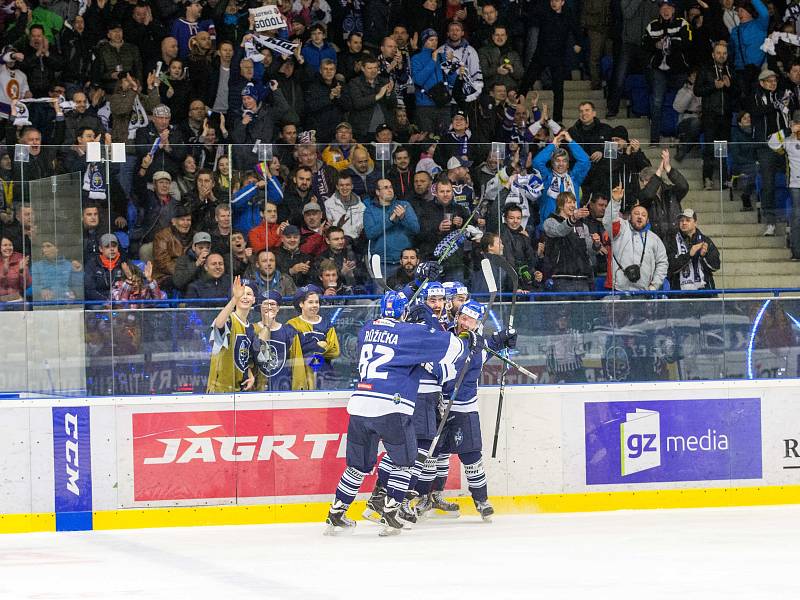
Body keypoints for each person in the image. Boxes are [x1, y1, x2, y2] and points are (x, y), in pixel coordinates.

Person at [324, 290, 471, 536]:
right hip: (391, 406)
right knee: (405, 462)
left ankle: (336, 514)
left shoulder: (366, 329)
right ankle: (391, 513)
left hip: (360, 405)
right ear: (404, 312)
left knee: (357, 466)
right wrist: (462, 336)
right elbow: (454, 348)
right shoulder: (409, 333)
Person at [414, 300, 516, 522]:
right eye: (462, 317)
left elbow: (494, 343)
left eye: (470, 319)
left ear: (478, 323)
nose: (464, 322)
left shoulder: (479, 344)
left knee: (471, 456)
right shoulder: (444, 336)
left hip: (464, 409)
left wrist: (507, 336)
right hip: (439, 406)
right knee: (431, 455)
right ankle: (425, 497)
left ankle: (481, 500)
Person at [643, 0, 691, 144]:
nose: (666, 10)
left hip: (678, 69)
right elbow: (644, 44)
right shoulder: (652, 25)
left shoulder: (682, 23)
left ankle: (680, 138)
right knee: (657, 102)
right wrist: (656, 44)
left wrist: (671, 43)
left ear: (674, 9)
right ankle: (654, 139)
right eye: (663, 7)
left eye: (669, 7)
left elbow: (688, 43)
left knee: (683, 102)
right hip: (659, 70)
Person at [603, 187, 669, 292]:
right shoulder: (620, 229)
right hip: (619, 292)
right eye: (636, 214)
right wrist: (615, 202)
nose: (640, 217)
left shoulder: (654, 239)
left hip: (645, 293)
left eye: (643, 215)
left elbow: (662, 263)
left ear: (647, 220)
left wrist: (654, 286)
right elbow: (608, 221)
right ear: (629, 217)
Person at [694, 41, 738, 187]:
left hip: (725, 116)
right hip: (710, 116)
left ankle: (724, 178)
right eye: (718, 53)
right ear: (713, 54)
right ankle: (707, 178)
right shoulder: (705, 69)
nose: (721, 56)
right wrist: (713, 86)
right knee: (708, 148)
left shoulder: (731, 69)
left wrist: (730, 86)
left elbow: (739, 92)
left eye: (724, 53)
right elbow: (697, 90)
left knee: (723, 148)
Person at [206, 276, 258, 393]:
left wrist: (250, 375)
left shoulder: (251, 328)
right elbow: (219, 324)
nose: (244, 297)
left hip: (239, 388)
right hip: (220, 389)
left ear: (254, 299)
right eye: (241, 294)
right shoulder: (229, 319)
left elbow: (244, 358)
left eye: (249, 294)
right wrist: (235, 298)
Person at [543, 191, 600, 296]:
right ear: (560, 205)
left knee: (584, 312)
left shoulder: (582, 225)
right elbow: (560, 231)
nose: (573, 205)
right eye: (569, 202)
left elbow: (589, 250)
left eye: (574, 202)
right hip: (561, 279)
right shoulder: (550, 221)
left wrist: (596, 244)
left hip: (583, 279)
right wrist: (573, 219)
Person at [532, 130, 592, 226]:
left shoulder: (574, 178)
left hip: (571, 226)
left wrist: (570, 141)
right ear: (552, 163)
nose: (561, 164)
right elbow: (537, 162)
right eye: (557, 160)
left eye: (564, 161)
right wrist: (553, 145)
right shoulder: (546, 177)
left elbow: (585, 161)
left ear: (568, 164)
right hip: (549, 227)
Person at [286, 285, 340, 390]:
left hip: (325, 376)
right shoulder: (292, 325)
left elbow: (335, 351)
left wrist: (309, 346)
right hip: (301, 376)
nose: (315, 305)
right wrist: (321, 346)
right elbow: (292, 353)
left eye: (317, 302)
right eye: (310, 302)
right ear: (301, 304)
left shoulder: (327, 324)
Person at [363, 178, 420, 277]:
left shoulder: (404, 205)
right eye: (385, 188)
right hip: (382, 263)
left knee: (408, 291)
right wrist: (390, 220)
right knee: (381, 292)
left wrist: (403, 218)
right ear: (377, 192)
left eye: (391, 187)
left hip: (405, 262)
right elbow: (370, 234)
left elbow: (416, 229)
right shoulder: (369, 210)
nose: (390, 190)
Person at [637, 149, 689, 240]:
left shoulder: (671, 192)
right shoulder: (644, 196)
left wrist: (668, 168)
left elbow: (684, 186)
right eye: (643, 181)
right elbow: (649, 194)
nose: (645, 184)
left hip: (675, 240)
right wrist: (659, 171)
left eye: (647, 181)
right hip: (655, 240)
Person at [768, 112, 800, 259]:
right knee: (797, 218)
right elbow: (772, 143)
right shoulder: (787, 140)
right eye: (797, 123)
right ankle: (797, 252)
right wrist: (787, 131)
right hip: (795, 184)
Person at [666, 209, 721, 291]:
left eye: (688, 220)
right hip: (679, 293)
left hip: (704, 292)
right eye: (681, 221)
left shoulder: (705, 240)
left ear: (695, 223)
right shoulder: (672, 241)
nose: (684, 223)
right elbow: (670, 266)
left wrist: (705, 255)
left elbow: (716, 266)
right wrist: (689, 255)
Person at [253, 290, 297, 392]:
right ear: (260, 307)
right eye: (265, 304)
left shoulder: (289, 331)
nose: (269, 307)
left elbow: (295, 361)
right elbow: (256, 353)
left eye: (272, 304)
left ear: (278, 308)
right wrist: (267, 325)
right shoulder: (252, 329)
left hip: (283, 387)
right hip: (258, 388)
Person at [0, 236, 29, 303]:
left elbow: (26, 285)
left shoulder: (20, 259)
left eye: (10, 245)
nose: (8, 248)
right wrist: (4, 273)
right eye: (5, 245)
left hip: (17, 300)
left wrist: (21, 271)